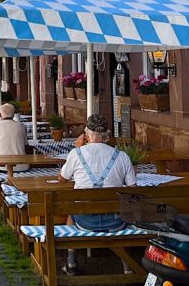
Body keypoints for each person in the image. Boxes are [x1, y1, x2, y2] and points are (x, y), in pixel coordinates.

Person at [57, 114, 136, 275]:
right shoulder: (122, 156)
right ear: (107, 133)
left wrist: (77, 148)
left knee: (71, 215)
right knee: (125, 211)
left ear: (86, 133)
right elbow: (133, 188)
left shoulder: (76, 154)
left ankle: (71, 262)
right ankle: (127, 266)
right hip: (115, 221)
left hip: (85, 220)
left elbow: (61, 179)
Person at [0, 103, 30, 172]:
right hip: (22, 166)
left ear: (0, 115)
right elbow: (26, 145)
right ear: (13, 115)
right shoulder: (22, 126)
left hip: (1, 166)